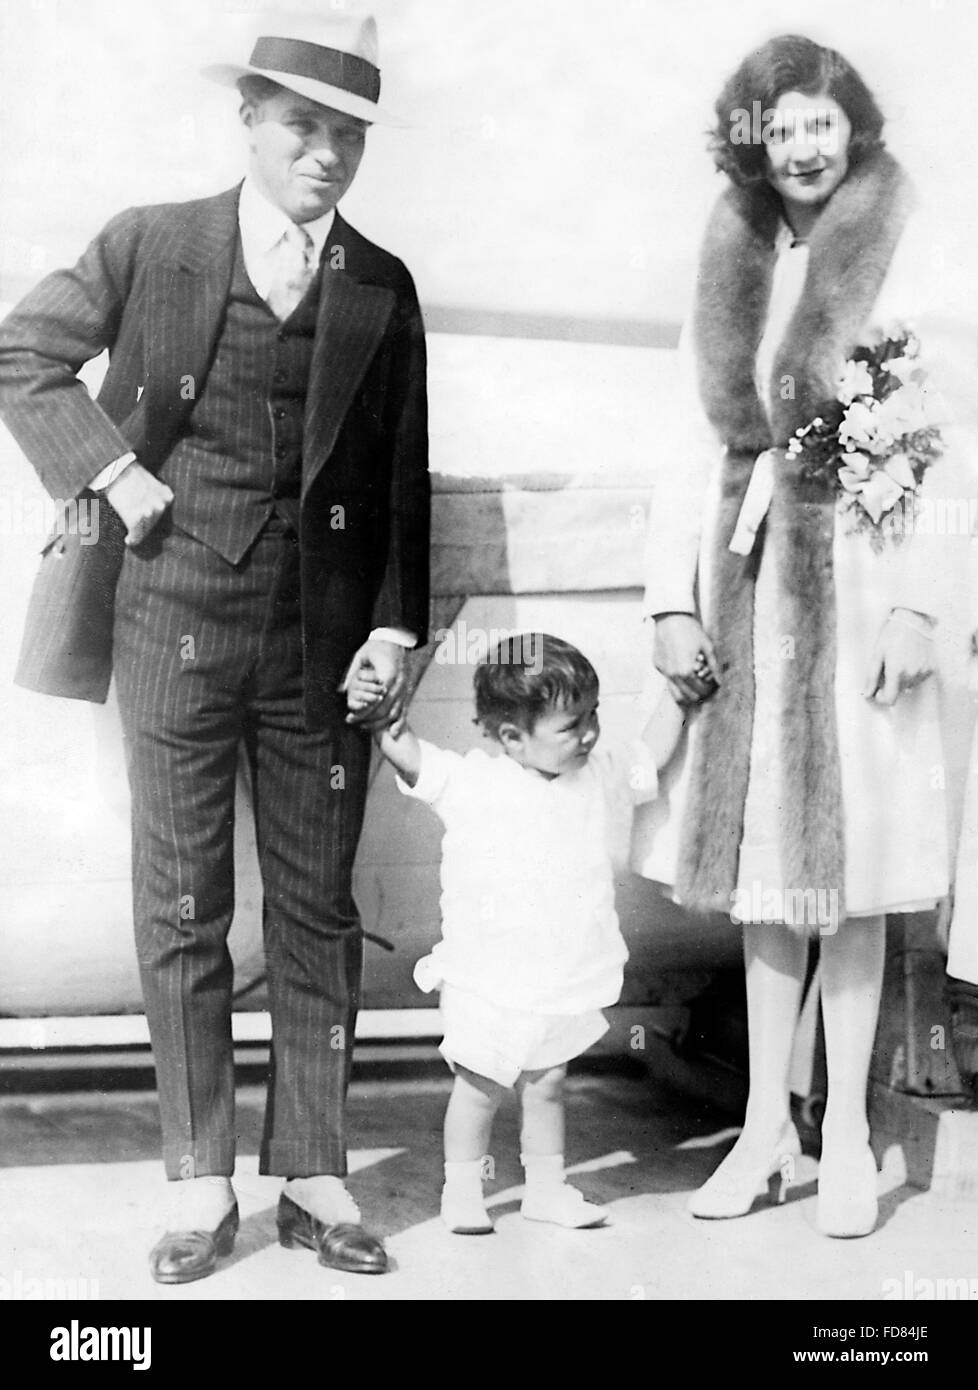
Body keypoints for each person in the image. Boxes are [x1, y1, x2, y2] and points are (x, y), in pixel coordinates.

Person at [0, 13, 430, 1282]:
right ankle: (197, 1181)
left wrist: (398, 622)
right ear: (247, 118)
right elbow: (21, 354)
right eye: (304, 126)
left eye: (348, 135)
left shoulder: (381, 284)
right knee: (185, 908)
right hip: (171, 619)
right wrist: (112, 471)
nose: (328, 155)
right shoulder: (155, 244)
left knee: (317, 911)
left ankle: (317, 1172)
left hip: (325, 650)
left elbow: (398, 475)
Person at [635, 34, 976, 1238]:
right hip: (750, 583)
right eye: (780, 128)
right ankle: (767, 1128)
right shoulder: (728, 249)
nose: (802, 146)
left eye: (820, 123)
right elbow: (688, 440)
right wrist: (670, 599)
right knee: (769, 881)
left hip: (867, 579)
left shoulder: (911, 243)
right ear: (751, 138)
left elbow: (957, 434)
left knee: (861, 874)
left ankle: (845, 1132)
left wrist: (923, 603)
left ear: (854, 128)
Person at [347, 633, 684, 1232]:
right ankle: (462, 1194)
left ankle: (546, 1190)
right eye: (570, 725)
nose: (589, 733)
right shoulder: (475, 783)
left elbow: (649, 756)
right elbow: (405, 750)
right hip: (489, 979)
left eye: (593, 717)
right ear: (511, 737)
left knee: (549, 1083)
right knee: (478, 1087)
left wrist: (681, 698)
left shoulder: (598, 773)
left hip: (563, 975)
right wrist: (380, 707)